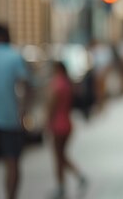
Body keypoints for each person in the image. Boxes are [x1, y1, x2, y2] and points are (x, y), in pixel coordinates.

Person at [0, 24, 32, 199]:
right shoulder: (14, 56)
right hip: (9, 117)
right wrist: (23, 112)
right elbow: (25, 86)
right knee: (12, 161)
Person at [46, 61, 87, 199]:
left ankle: (62, 185)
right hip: (67, 122)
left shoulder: (57, 84)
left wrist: (47, 121)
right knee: (61, 155)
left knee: (58, 157)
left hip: (58, 124)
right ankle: (77, 177)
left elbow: (52, 105)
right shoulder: (67, 83)